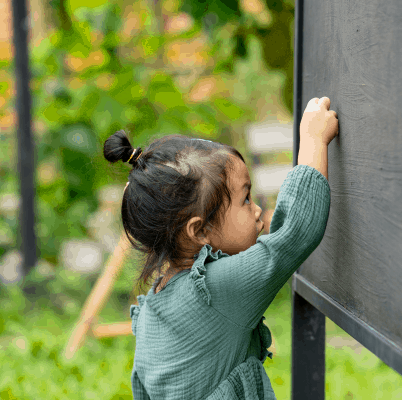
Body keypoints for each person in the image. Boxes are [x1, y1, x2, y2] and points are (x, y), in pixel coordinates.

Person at [102, 97, 339, 399]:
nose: (256, 210)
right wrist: (314, 140)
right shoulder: (216, 290)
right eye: (245, 199)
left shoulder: (156, 304)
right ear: (200, 230)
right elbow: (293, 235)